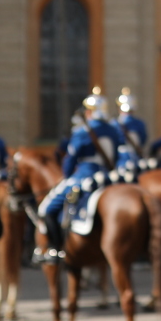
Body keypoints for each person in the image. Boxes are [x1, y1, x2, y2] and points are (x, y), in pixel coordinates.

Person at [35, 87, 122, 264]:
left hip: (85, 175)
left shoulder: (82, 132)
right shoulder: (114, 130)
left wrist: (67, 175)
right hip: (108, 176)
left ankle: (55, 248)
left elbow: (70, 160)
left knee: (46, 209)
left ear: (89, 112)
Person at [115, 87, 148, 171]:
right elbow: (143, 139)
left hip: (121, 158)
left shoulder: (114, 124)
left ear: (119, 108)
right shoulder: (140, 123)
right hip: (136, 158)